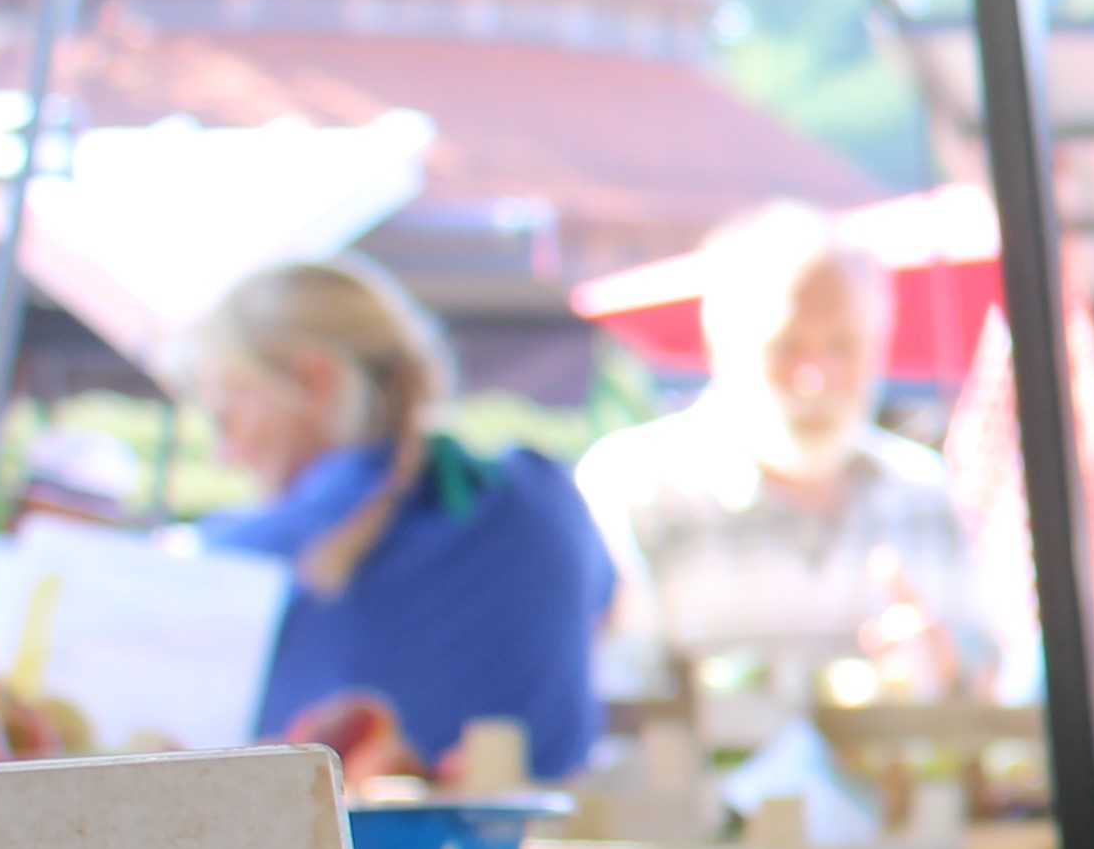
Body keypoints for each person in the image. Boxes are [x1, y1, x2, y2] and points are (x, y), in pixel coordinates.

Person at [177, 257, 611, 777]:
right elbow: (605, 614)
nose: (226, 453)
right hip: (555, 848)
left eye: (227, 416)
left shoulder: (237, 562)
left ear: (313, 381)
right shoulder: (545, 494)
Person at [582, 205, 972, 741]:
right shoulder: (635, 487)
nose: (814, 379)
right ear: (721, 344)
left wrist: (947, 673)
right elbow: (609, 707)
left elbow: (993, 692)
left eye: (842, 346)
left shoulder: (930, 494)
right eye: (785, 347)